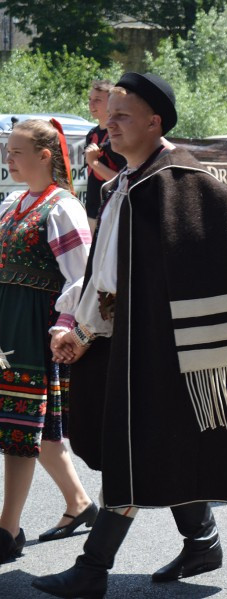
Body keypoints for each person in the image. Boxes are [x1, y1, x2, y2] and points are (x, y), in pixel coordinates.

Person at [32, 72, 227, 598]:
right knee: (160, 444)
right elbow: (108, 276)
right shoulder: (129, 185)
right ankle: (202, 539)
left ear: (155, 121)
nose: (109, 125)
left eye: (122, 116)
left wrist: (88, 328)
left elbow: (212, 267)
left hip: (170, 350)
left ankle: (93, 568)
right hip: (135, 343)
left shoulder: (180, 184)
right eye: (107, 115)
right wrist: (81, 327)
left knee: (134, 448)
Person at [0, 119, 97, 563]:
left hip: (36, 328)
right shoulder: (13, 202)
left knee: (19, 426)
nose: (8, 158)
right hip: (7, 324)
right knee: (29, 425)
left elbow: (82, 277)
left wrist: (65, 326)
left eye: (16, 151)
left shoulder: (62, 208)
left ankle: (7, 530)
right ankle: (79, 505)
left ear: (44, 155)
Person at [84, 80, 127, 234]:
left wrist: (94, 163)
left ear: (111, 103)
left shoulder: (119, 136)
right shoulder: (92, 134)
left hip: (111, 211)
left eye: (97, 100)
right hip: (91, 211)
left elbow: (124, 181)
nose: (91, 104)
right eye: (90, 99)